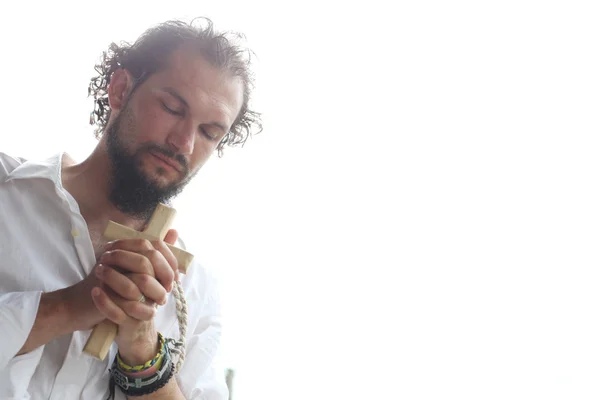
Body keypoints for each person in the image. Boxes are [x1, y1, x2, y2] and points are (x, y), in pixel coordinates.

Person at [0, 18, 261, 399]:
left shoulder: (195, 285)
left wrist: (143, 348)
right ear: (121, 89)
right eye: (173, 108)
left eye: (209, 132)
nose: (184, 143)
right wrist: (68, 306)